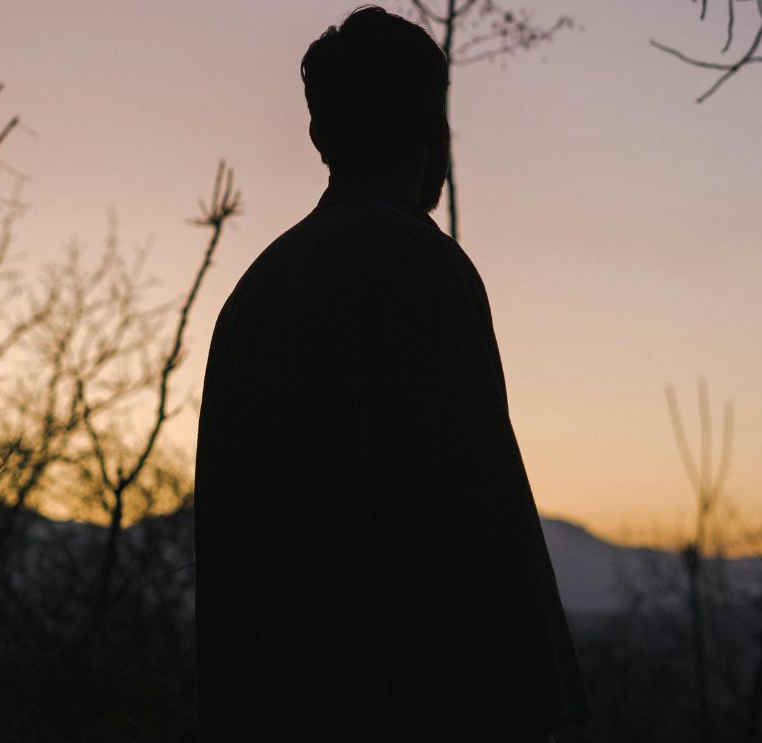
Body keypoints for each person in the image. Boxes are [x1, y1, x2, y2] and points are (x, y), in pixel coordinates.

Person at [193, 6, 592, 741]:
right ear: (429, 130)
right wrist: (536, 702)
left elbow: (223, 547)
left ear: (320, 135)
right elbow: (485, 511)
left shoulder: (254, 294)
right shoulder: (426, 271)